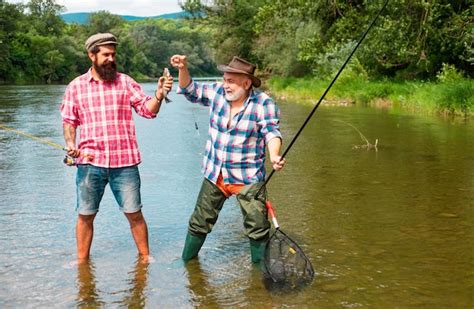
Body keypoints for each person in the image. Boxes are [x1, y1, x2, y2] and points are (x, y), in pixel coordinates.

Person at [61, 33, 173, 261]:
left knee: (134, 213)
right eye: (105, 54)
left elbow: (147, 110)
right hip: (89, 162)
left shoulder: (126, 82)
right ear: (91, 55)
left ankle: (145, 259)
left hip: (125, 163)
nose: (111, 59)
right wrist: (71, 144)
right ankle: (82, 262)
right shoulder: (76, 86)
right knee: (85, 215)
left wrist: (159, 95)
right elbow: (69, 121)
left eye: (113, 54)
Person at [170, 54, 285, 264]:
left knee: (258, 228)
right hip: (216, 173)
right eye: (224, 79)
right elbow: (190, 90)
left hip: (248, 177)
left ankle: (259, 273)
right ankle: (186, 261)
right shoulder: (217, 92)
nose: (225, 85)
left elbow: (272, 132)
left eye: (230, 81)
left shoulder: (263, 104)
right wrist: (183, 68)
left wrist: (275, 155)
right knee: (199, 222)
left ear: (247, 83)